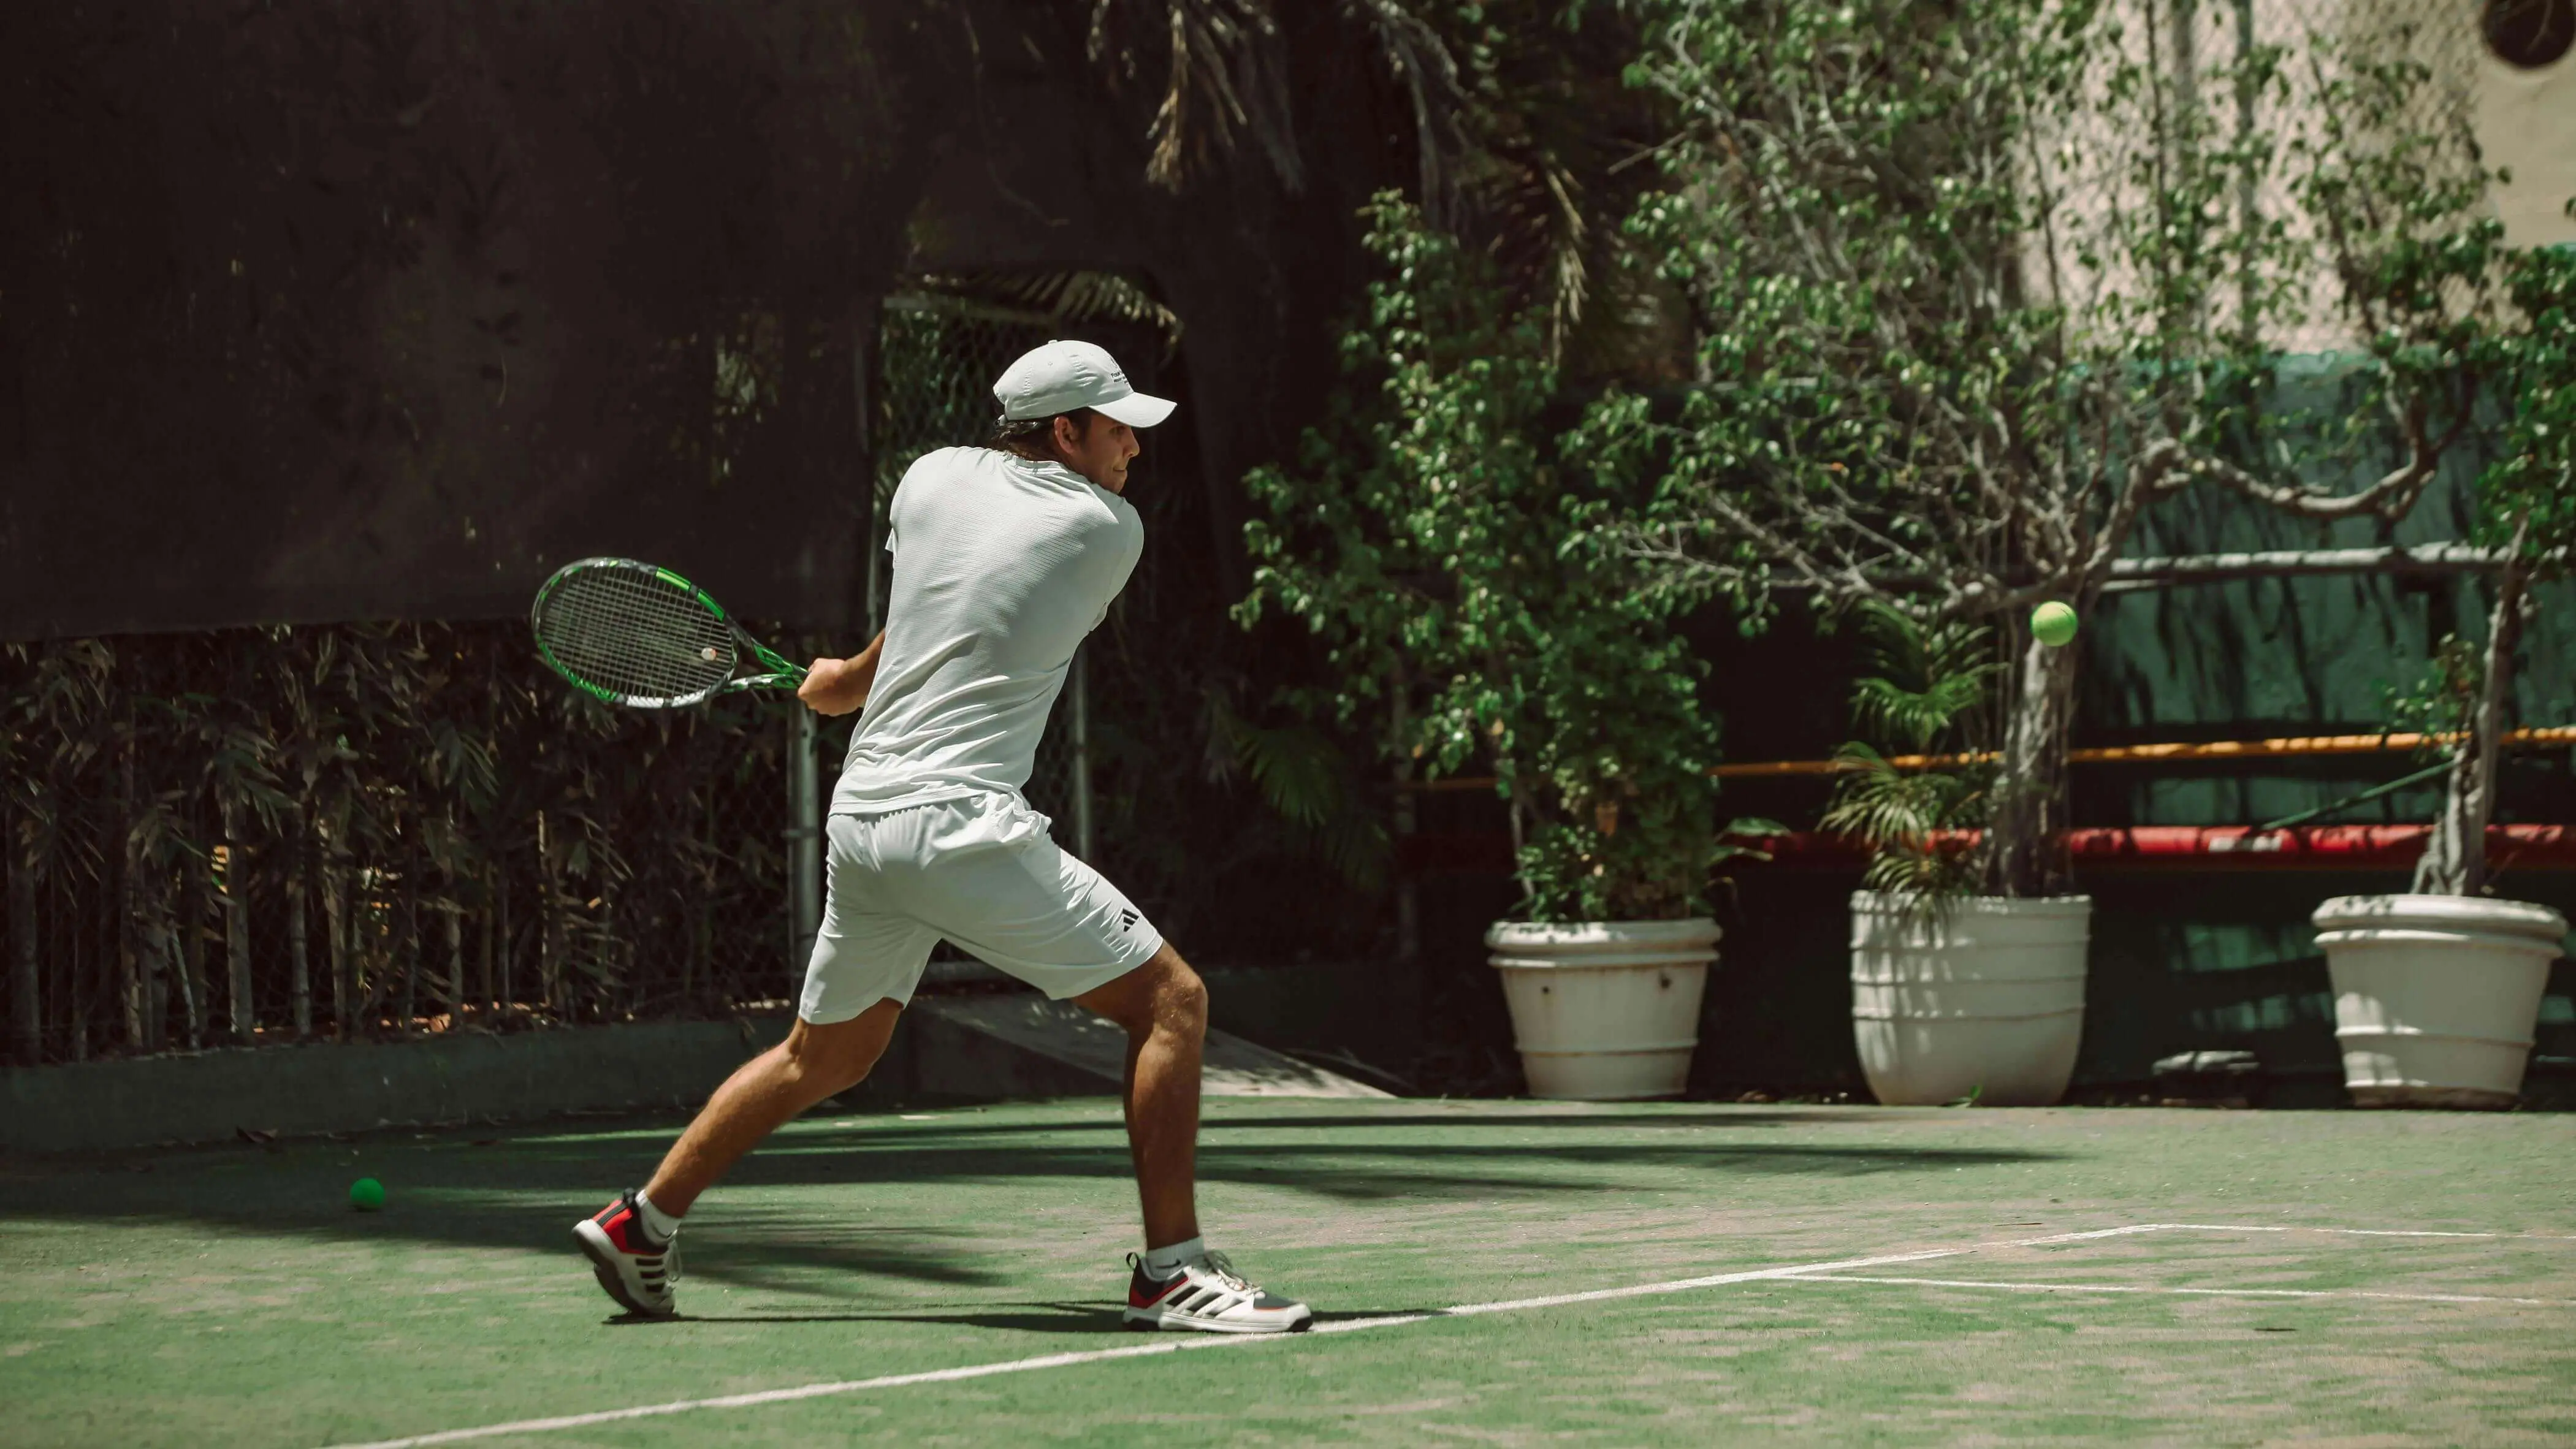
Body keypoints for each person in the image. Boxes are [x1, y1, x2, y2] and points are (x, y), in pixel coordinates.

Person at [573, 340, 1313, 1334]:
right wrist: (857, 676)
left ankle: (641, 1224)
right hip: (958, 826)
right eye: (1116, 428)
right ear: (1065, 432)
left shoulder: (929, 479)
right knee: (1171, 1002)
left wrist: (848, 677)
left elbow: (939, 598)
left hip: (864, 823)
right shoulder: (1106, 530)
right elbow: (983, 598)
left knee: (823, 1057)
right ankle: (1172, 1274)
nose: (1134, 448)